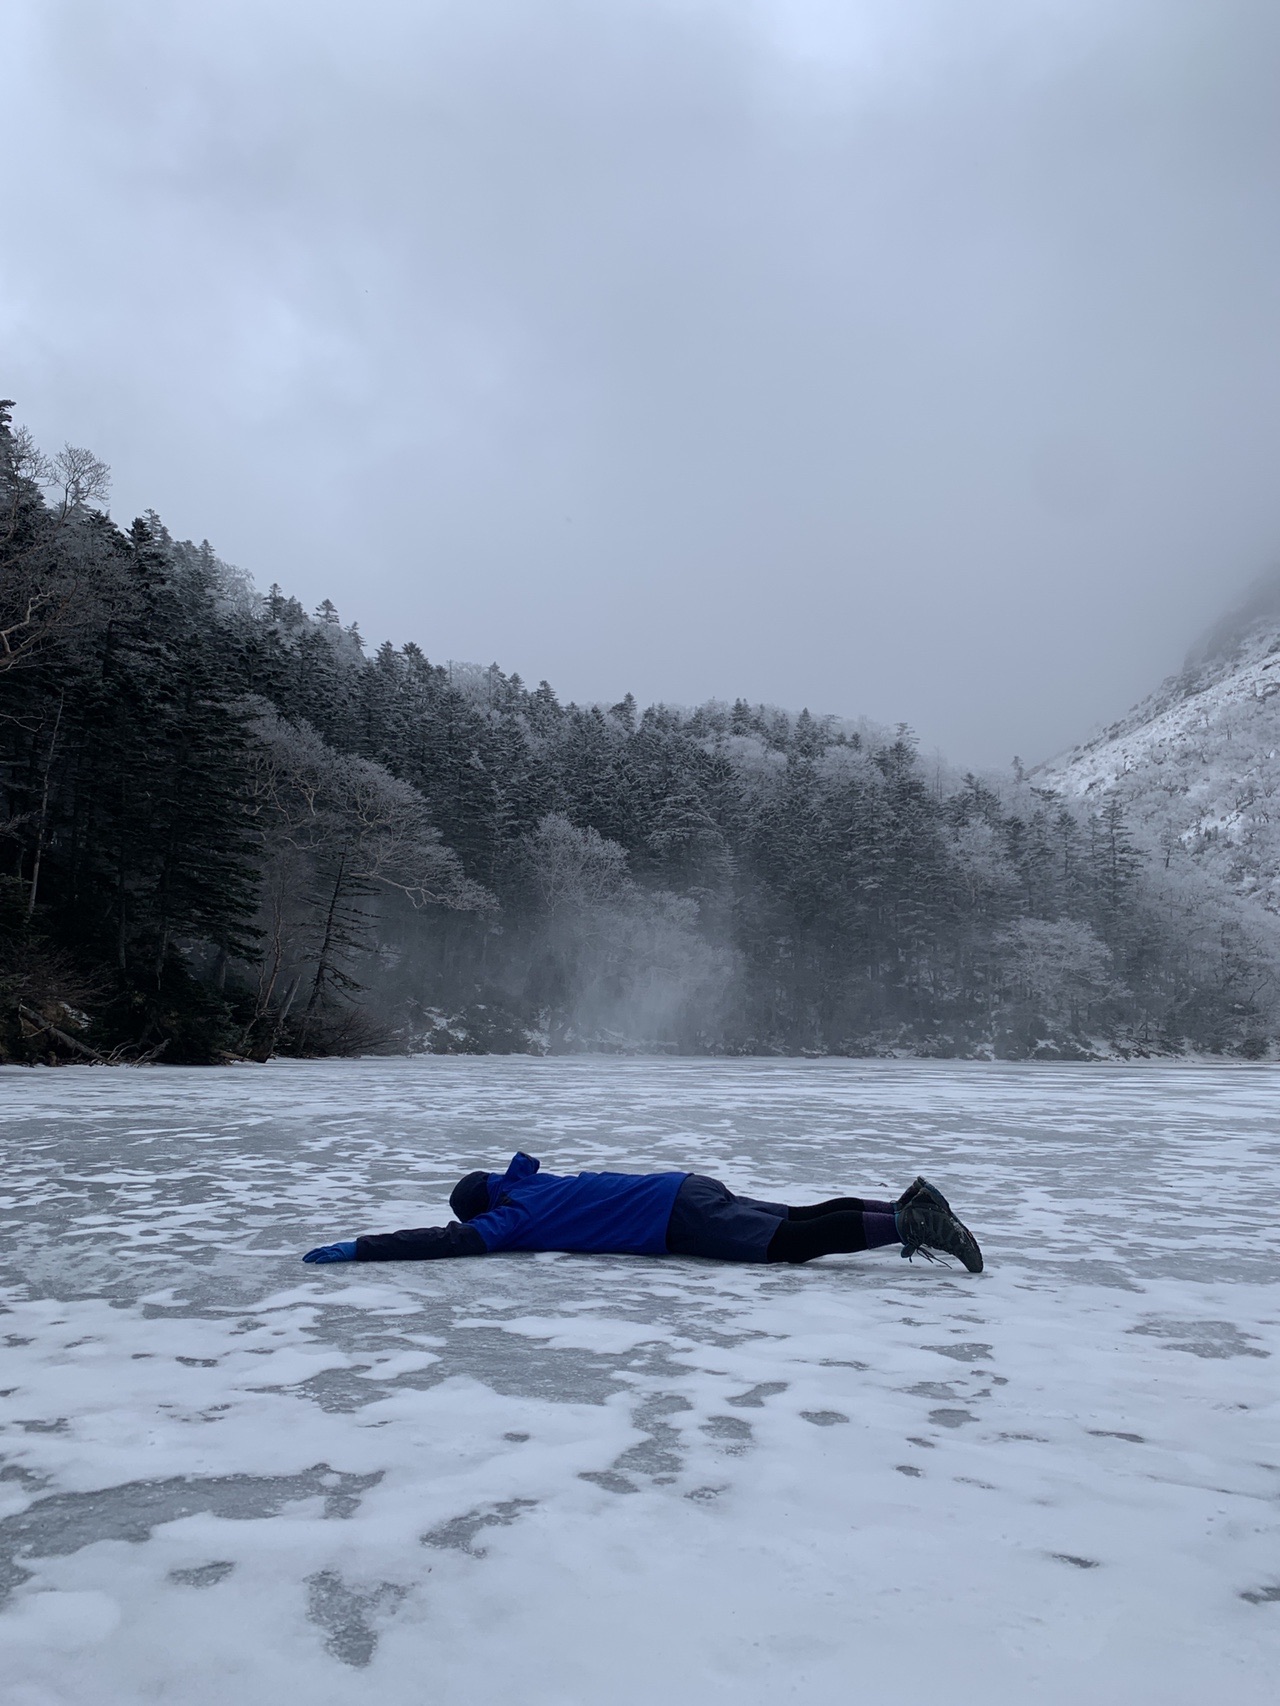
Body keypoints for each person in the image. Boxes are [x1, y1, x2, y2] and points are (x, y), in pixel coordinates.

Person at [302, 1152, 983, 1272]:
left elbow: (449, 1243)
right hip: (684, 1185)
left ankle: (912, 1225)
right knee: (799, 1213)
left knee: (787, 1245)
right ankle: (907, 1203)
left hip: (670, 1220)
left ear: (478, 1207)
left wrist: (362, 1247)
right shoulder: (538, 1188)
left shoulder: (510, 1218)